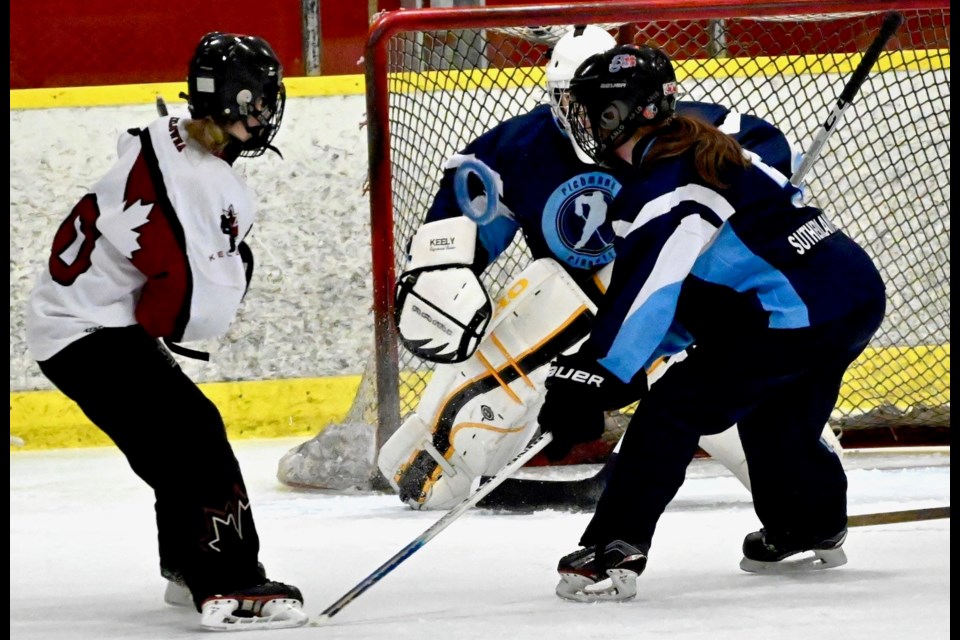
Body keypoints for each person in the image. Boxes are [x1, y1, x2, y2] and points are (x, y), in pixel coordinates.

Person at [378, 25, 839, 512]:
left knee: (789, 471)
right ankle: (441, 453)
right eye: (571, 102)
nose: (587, 118)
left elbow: (763, 153)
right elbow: (462, 222)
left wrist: (748, 189)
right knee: (425, 481)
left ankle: (801, 466)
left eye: (600, 104)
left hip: (672, 314)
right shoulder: (517, 150)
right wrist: (443, 269)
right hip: (569, 315)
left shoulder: (681, 131)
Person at [539, 44, 886, 602]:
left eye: (593, 111)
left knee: (672, 410)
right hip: (848, 295)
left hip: (792, 314)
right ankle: (810, 524)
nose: (582, 124)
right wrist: (612, 371)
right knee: (779, 422)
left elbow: (648, 291)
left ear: (628, 112)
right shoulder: (699, 141)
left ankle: (612, 550)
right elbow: (690, 291)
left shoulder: (663, 187)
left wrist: (598, 374)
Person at [24, 32, 308, 630]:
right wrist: (229, 265)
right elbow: (176, 318)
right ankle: (228, 578)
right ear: (230, 102)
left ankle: (185, 566)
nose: (264, 112)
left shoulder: (175, 142)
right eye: (256, 100)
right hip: (86, 333)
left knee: (171, 441)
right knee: (192, 433)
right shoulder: (194, 186)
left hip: (78, 322)